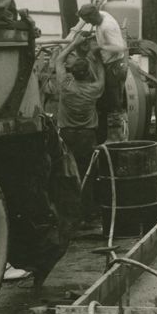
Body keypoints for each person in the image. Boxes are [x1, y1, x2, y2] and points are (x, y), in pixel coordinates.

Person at [54, 34, 105, 217]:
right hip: (86, 136)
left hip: (66, 135)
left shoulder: (65, 86)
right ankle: (87, 210)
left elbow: (59, 60)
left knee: (68, 174)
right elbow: (101, 74)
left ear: (72, 73)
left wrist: (73, 44)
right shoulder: (94, 89)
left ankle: (69, 212)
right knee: (87, 173)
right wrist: (95, 55)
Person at [75, 3, 128, 142]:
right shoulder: (102, 15)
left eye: (87, 20)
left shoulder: (107, 26)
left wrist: (99, 47)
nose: (87, 23)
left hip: (115, 65)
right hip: (108, 62)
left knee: (112, 104)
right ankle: (103, 134)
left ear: (93, 15)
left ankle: (117, 136)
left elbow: (120, 47)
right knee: (104, 102)